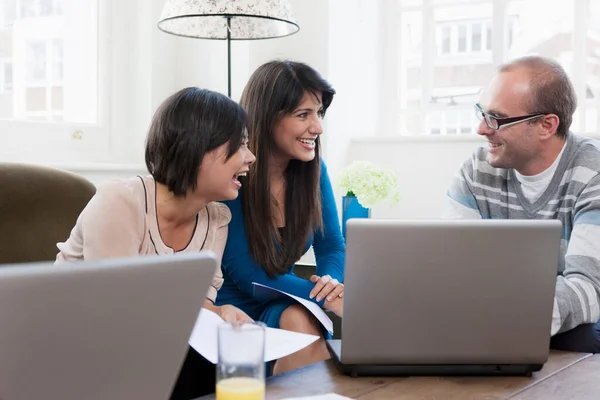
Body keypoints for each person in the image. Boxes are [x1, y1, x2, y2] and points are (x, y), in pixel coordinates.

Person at [55, 87, 256, 398]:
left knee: (216, 354)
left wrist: (222, 313)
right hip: (75, 343)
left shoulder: (217, 219)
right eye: (241, 145)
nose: (250, 157)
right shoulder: (120, 200)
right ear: (199, 145)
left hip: (150, 344)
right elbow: (116, 313)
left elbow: (194, 306)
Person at [445, 55, 600, 353]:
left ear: (546, 125)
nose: (481, 129)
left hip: (556, 327)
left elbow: (588, 288)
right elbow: (456, 273)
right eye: (481, 113)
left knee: (590, 333)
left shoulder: (592, 173)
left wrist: (506, 317)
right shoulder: (477, 170)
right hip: (500, 323)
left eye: (496, 118)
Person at [215, 60, 346, 375]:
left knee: (299, 316)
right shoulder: (230, 175)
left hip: (285, 303)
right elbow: (251, 277)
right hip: (233, 312)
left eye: (319, 113)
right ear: (266, 119)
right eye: (304, 115)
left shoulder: (315, 172)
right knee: (300, 316)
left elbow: (331, 245)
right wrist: (330, 300)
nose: (317, 127)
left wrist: (331, 284)